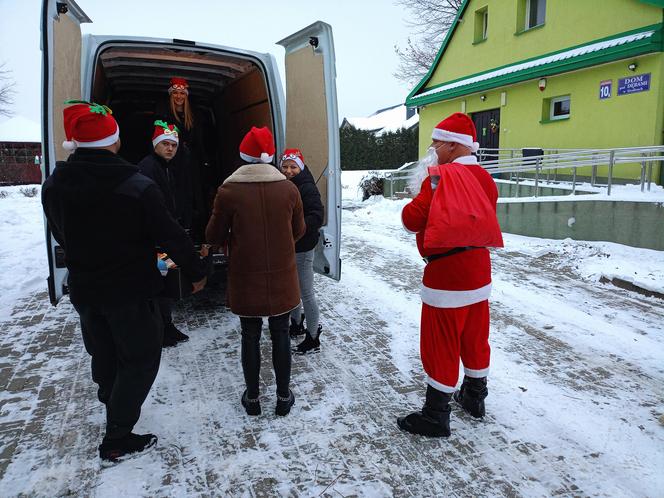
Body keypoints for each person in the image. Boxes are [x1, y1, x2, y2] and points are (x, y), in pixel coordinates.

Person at [42, 101, 208, 462]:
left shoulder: (53, 184)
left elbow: (61, 235)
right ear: (114, 140)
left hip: (86, 290)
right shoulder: (137, 185)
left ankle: (110, 402)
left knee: (103, 352)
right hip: (131, 292)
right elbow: (172, 236)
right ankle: (117, 435)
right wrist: (196, 272)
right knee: (141, 359)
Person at [397, 112, 502, 438]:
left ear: (454, 146)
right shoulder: (485, 178)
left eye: (437, 142)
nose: (433, 147)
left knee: (441, 340)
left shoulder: (439, 178)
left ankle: (435, 414)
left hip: (446, 274)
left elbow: (412, 219)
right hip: (479, 270)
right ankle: (474, 396)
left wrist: (415, 199)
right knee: (474, 335)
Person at [206, 126, 305, 417]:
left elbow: (213, 235)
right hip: (282, 278)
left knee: (249, 335)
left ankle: (252, 399)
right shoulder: (289, 189)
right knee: (281, 333)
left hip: (245, 277)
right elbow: (298, 230)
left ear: (244, 157)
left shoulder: (228, 191)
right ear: (270, 157)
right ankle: (284, 397)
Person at [138, 120, 191, 347]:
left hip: (163, 240)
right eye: (165, 144)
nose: (170, 148)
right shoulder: (148, 168)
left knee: (166, 281)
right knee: (158, 284)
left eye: (173, 145)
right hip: (154, 241)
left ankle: (167, 326)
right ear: (155, 144)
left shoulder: (165, 167)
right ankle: (159, 331)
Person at [279, 148, 325, 354]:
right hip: (289, 245)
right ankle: (296, 324)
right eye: (285, 166)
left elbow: (317, 215)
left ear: (301, 167)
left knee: (306, 292)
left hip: (304, 246)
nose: (289, 170)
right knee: (292, 289)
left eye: (293, 167)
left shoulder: (306, 187)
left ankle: (313, 336)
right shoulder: (281, 185)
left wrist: (296, 228)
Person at [155, 77, 211, 241]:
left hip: (192, 163)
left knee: (195, 196)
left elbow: (200, 141)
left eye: (182, 93)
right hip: (173, 161)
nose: (179, 96)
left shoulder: (194, 114)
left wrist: (205, 163)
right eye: (175, 93)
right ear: (171, 95)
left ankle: (196, 232)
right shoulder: (163, 112)